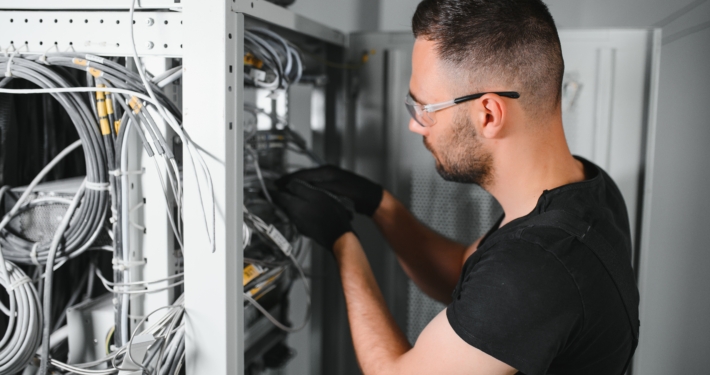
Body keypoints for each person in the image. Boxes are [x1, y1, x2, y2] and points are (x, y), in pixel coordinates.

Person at [273, 0, 640, 374]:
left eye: (425, 108)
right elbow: (466, 274)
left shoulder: (537, 265)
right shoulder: (587, 191)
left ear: (488, 114)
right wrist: (380, 205)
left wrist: (342, 242)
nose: (416, 125)